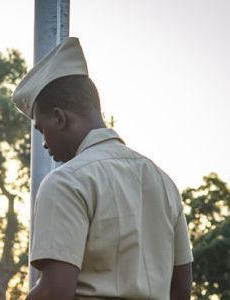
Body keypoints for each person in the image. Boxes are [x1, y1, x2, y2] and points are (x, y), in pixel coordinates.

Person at [11, 37, 193, 299]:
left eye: (42, 129)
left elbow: (55, 291)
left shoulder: (66, 182)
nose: (44, 143)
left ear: (60, 118)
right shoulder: (163, 181)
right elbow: (181, 288)